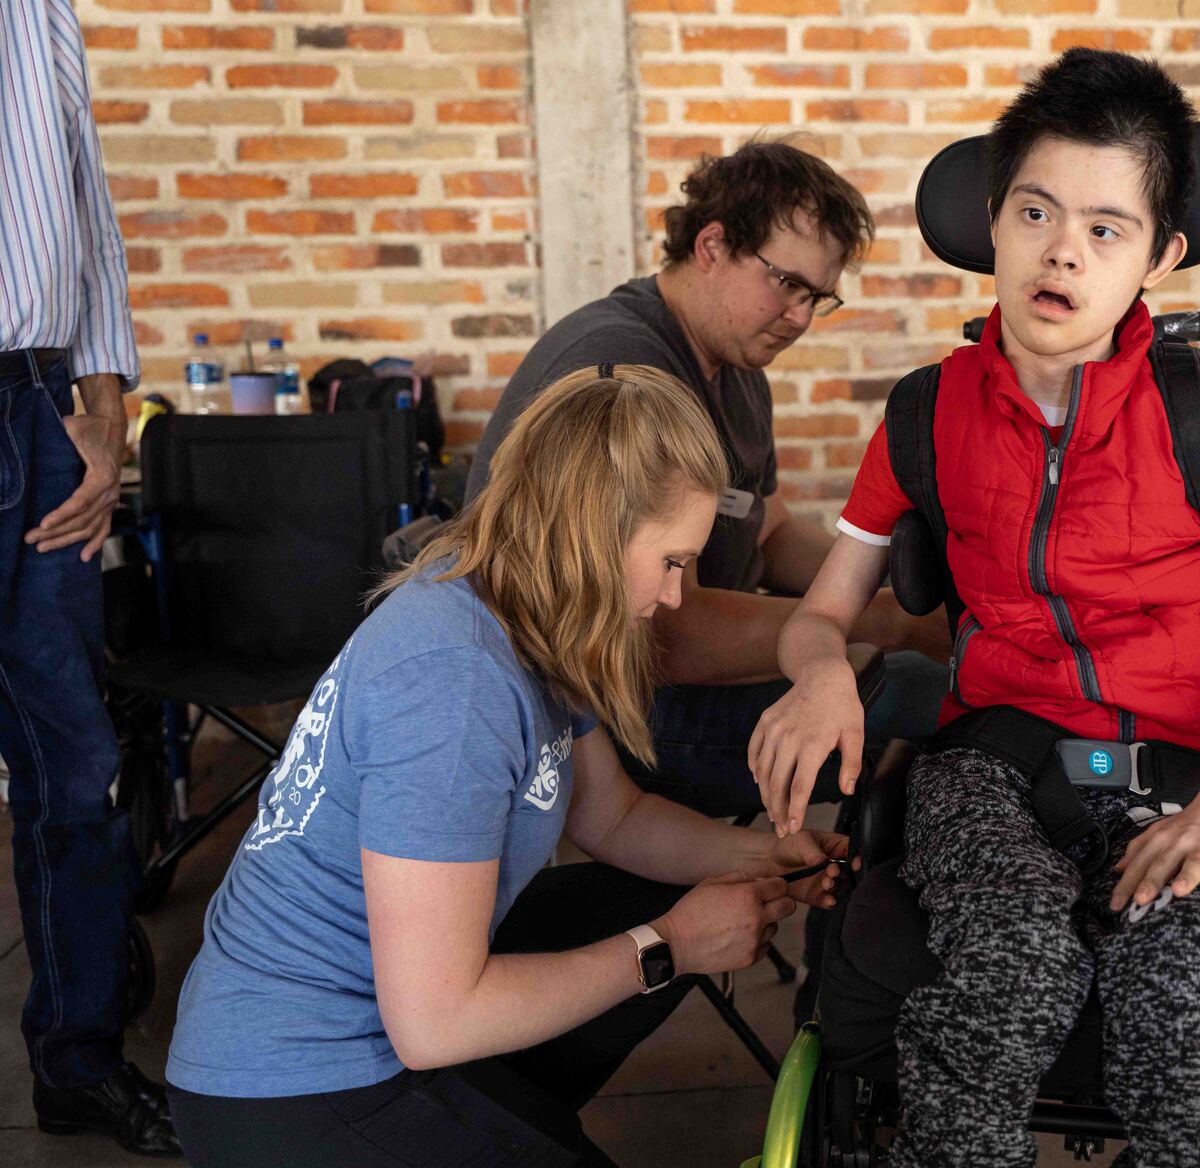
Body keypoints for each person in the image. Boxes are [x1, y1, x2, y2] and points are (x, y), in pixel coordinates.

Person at [750, 50, 1200, 1168]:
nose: (1064, 248)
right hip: (989, 766)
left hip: (1191, 775)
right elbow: (821, 613)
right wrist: (820, 668)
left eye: (1108, 229)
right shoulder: (926, 415)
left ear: (1161, 254)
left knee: (1188, 995)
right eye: (1036, 211)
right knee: (1014, 963)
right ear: (993, 222)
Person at [165, 366, 850, 1167]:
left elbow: (612, 817)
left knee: (652, 890)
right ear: (593, 535)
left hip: (393, 1019)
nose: (673, 597)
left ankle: (507, 1109)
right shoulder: (456, 684)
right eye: (671, 562)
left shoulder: (519, 605)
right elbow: (433, 1024)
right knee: (650, 929)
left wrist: (769, 857)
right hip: (294, 1082)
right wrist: (667, 947)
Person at [468, 138, 949, 820]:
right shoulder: (629, 369)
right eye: (787, 284)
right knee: (922, 696)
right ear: (713, 245)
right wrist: (890, 624)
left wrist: (899, 584)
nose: (802, 318)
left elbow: (770, 532)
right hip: (596, 715)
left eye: (819, 298)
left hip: (662, 680)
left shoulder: (738, 370)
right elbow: (668, 632)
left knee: (912, 676)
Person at [0, 1, 179, 1156]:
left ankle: (76, 1059)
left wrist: (105, 408)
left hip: (32, 402)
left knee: (79, 761)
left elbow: (85, 197)